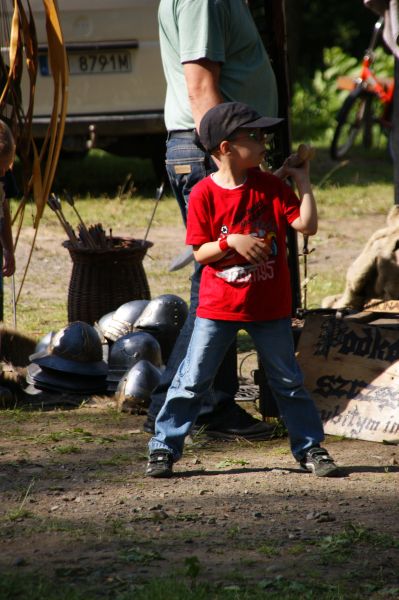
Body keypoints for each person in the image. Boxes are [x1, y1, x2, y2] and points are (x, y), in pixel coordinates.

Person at [145, 102, 340, 479]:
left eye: (264, 134)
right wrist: (232, 240)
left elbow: (307, 225)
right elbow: (200, 252)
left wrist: (302, 182)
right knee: (192, 381)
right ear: (225, 148)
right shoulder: (203, 194)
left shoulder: (270, 187)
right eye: (255, 135)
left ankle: (310, 447)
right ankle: (164, 447)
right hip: (218, 309)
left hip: (270, 308)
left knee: (288, 381)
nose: (264, 141)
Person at [144, 0, 279, 439]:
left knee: (217, 278)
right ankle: (186, 404)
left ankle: (203, 401)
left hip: (213, 152)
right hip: (210, 153)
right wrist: (230, 166)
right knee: (215, 283)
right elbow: (201, 89)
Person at [0, 120, 16, 279]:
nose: (3, 174)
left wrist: (8, 249)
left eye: (7, 167)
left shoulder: (4, 176)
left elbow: (3, 209)